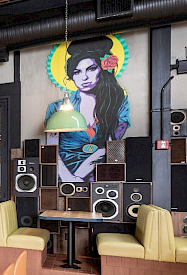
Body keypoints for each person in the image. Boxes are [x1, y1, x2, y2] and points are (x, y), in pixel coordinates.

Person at [45, 36, 130, 182]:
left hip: (100, 177)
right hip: (62, 178)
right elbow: (51, 151)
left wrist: (77, 176)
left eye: (90, 69)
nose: (83, 77)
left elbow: (110, 148)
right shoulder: (55, 108)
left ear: (101, 70)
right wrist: (68, 179)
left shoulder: (118, 102)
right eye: (77, 72)